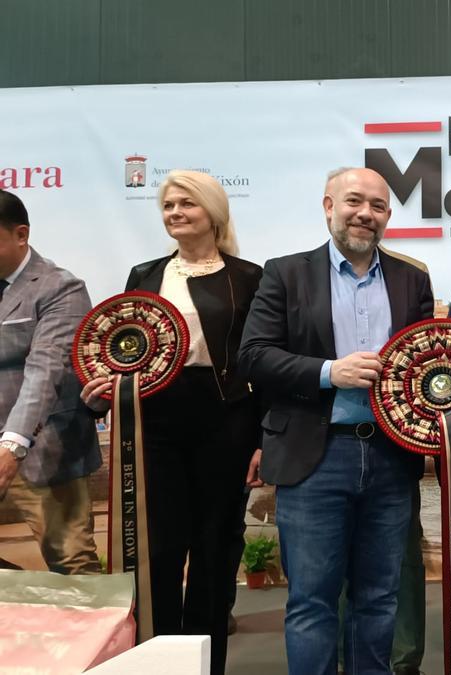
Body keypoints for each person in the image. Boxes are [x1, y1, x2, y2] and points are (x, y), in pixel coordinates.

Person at [239, 167, 432, 674]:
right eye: (354, 201)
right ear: (328, 206)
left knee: (380, 598)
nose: (365, 214)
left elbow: (425, 363)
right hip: (313, 458)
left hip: (392, 458)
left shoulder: (413, 279)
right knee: (311, 602)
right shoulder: (283, 272)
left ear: (388, 216)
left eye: (378, 206)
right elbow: (254, 356)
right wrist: (330, 372)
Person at [79, 171, 262, 675]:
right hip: (155, 419)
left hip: (225, 419)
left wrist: (264, 438)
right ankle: (156, 662)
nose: (175, 213)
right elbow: (118, 344)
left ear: (213, 212)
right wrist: (100, 393)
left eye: (187, 204)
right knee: (156, 549)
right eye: (168, 205)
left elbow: (259, 361)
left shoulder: (249, 277)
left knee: (214, 549)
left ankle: (206, 665)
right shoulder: (144, 272)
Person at [0, 189, 102, 576]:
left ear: (21, 234)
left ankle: (108, 637)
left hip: (44, 449)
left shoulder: (61, 288)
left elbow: (45, 371)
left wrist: (12, 445)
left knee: (73, 565)